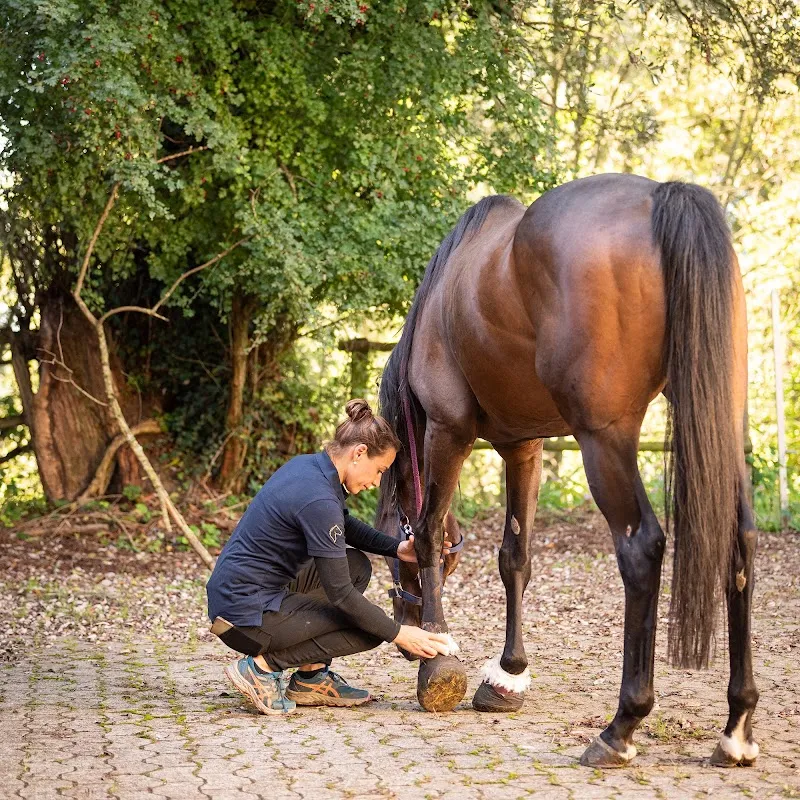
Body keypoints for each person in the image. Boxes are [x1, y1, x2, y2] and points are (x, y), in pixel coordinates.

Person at [206, 398, 453, 714]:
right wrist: (399, 633)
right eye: (380, 470)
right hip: (244, 617)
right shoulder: (319, 499)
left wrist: (397, 548)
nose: (377, 482)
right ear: (359, 453)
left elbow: (343, 525)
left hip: (239, 595)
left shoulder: (309, 468)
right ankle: (261, 668)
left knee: (355, 565)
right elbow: (341, 595)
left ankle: (311, 677)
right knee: (368, 629)